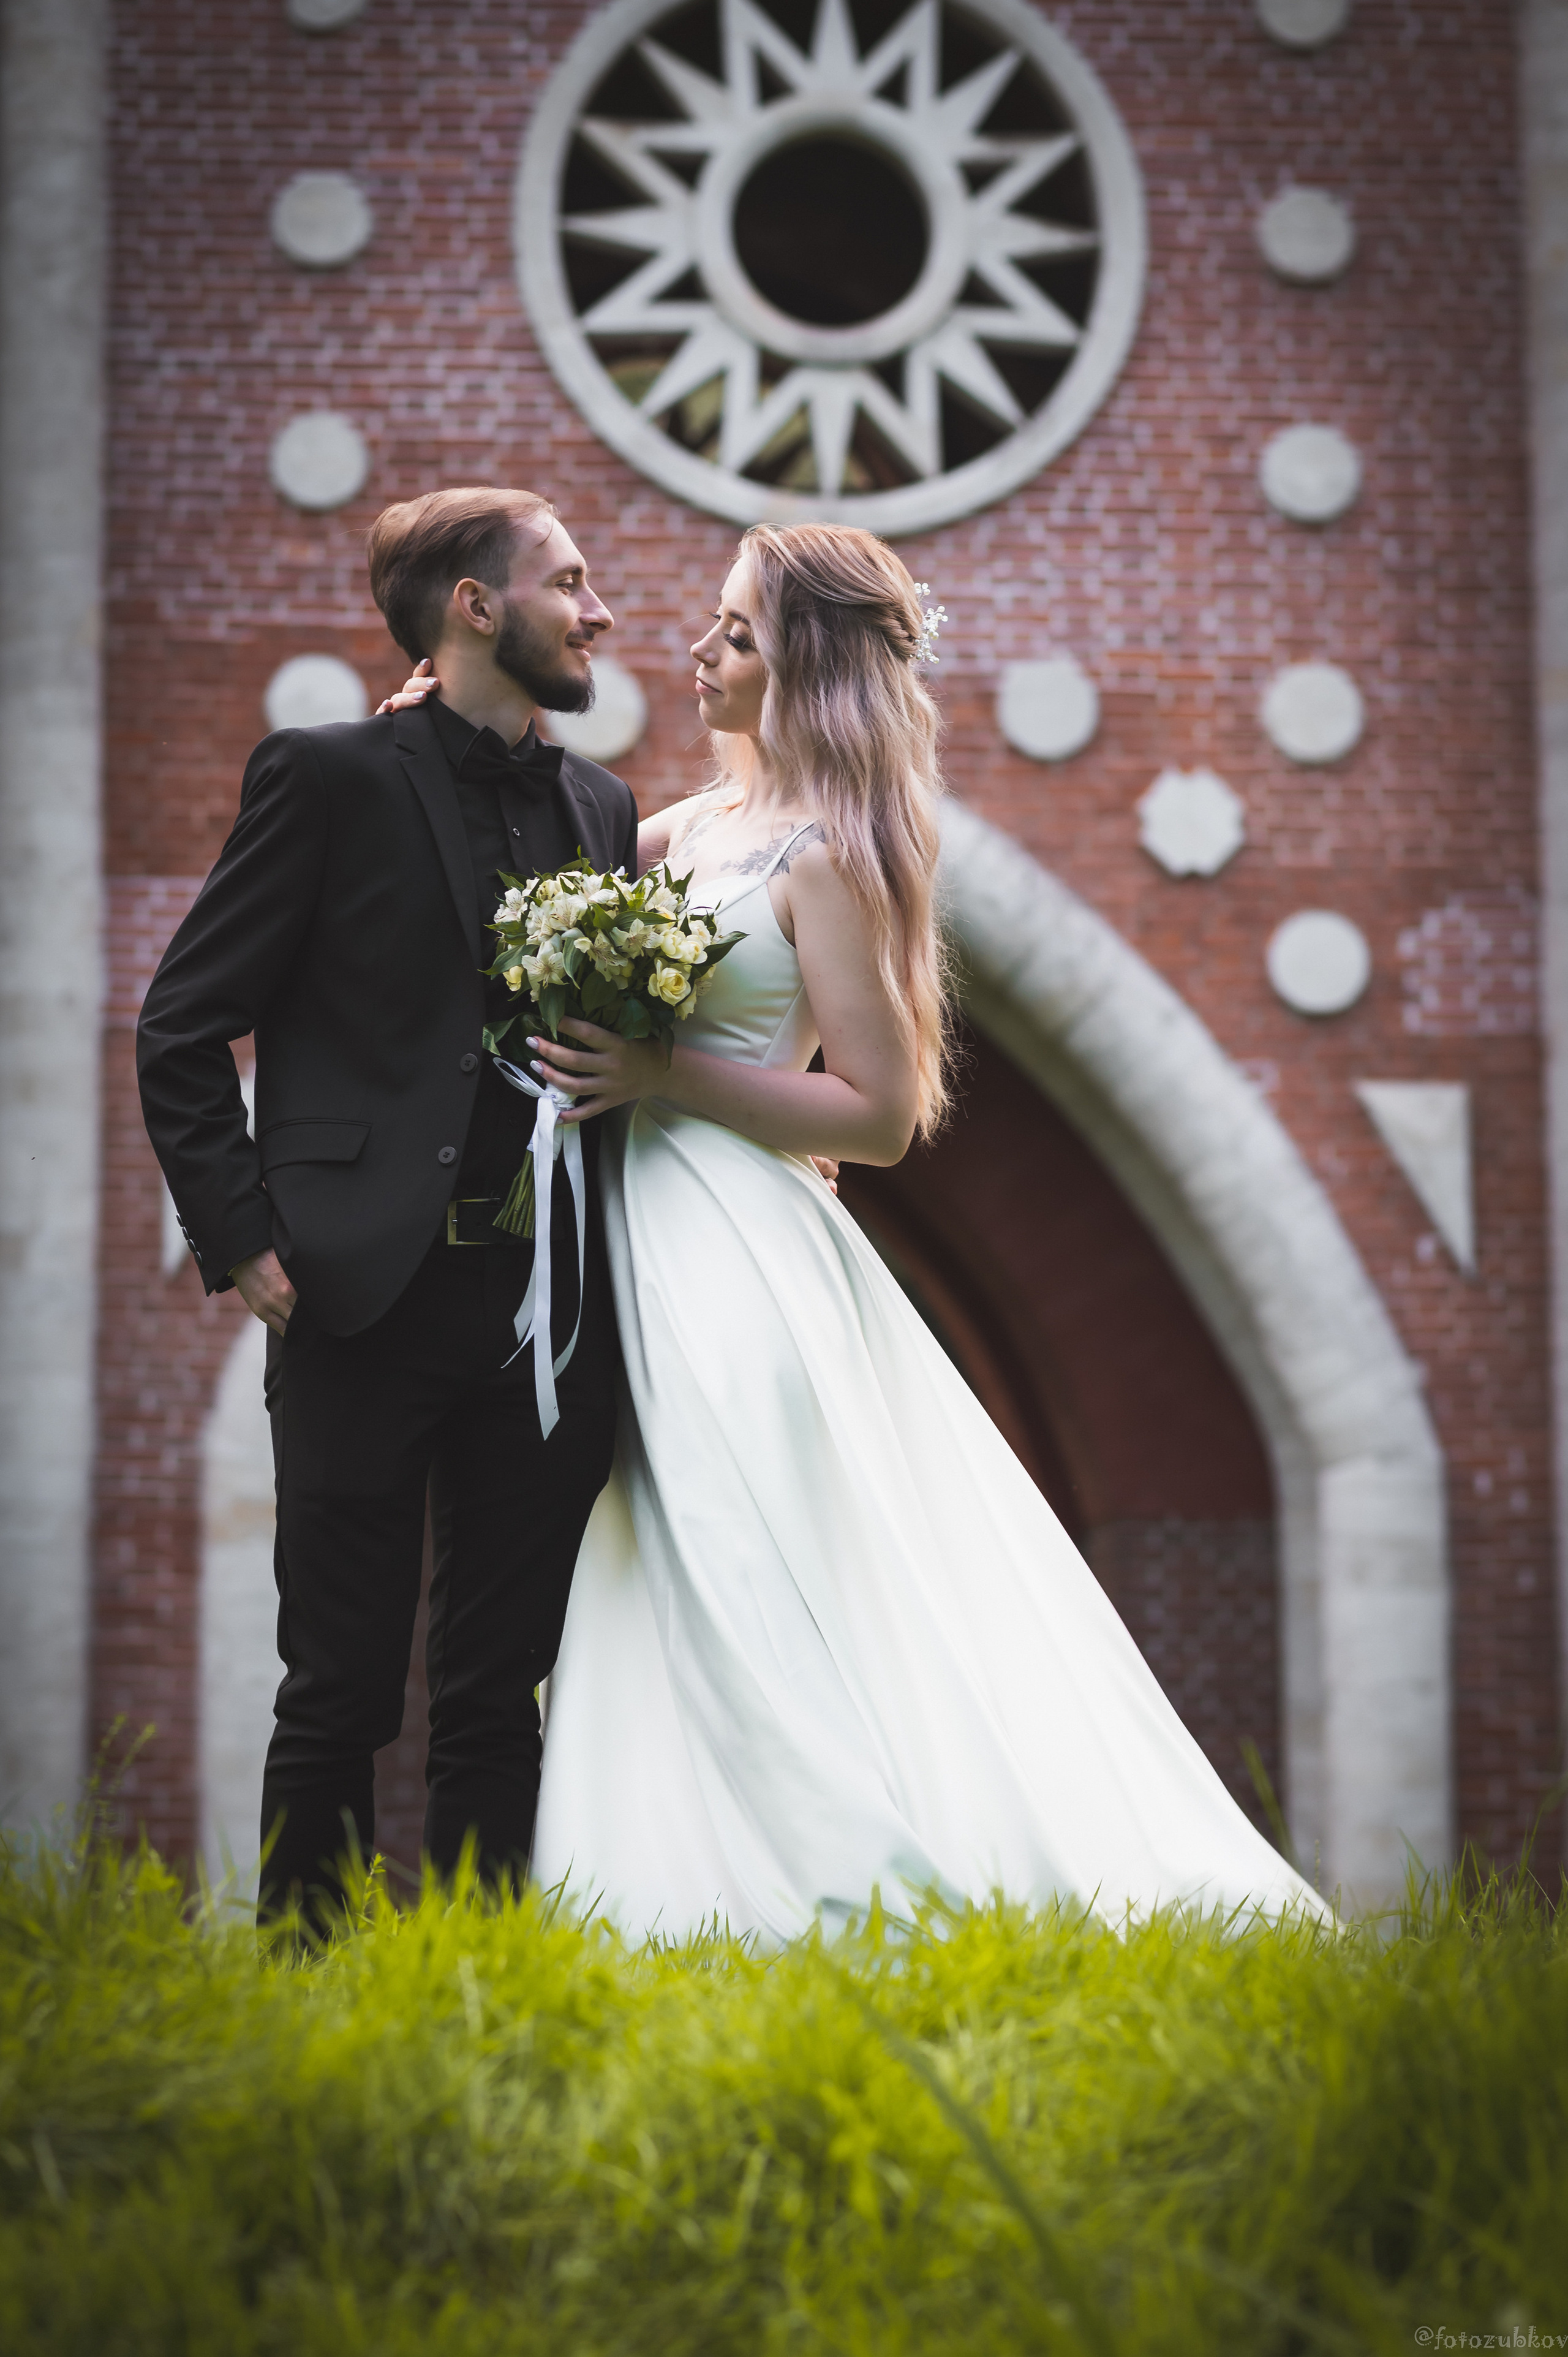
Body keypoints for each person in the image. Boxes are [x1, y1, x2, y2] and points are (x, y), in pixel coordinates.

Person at [386, 521, 1329, 1941]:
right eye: (715, 623)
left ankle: (845, 1893)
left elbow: (879, 1111)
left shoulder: (825, 856)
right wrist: (428, 722)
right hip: (627, 1234)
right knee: (637, 1561)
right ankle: (662, 1894)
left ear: (804, 669)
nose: (699, 648)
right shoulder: (684, 826)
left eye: (738, 634)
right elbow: (515, 859)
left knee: (728, 1545)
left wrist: (657, 1075)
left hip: (732, 1250)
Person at [137, 486, 637, 1921]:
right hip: (358, 1293)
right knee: (337, 1688)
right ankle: (307, 1986)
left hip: (545, 1307)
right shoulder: (326, 775)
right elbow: (180, 1025)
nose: (596, 610)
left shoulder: (600, 807)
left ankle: (474, 1990)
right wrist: (243, 1239)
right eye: (569, 580)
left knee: (499, 1697)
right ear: (476, 606)